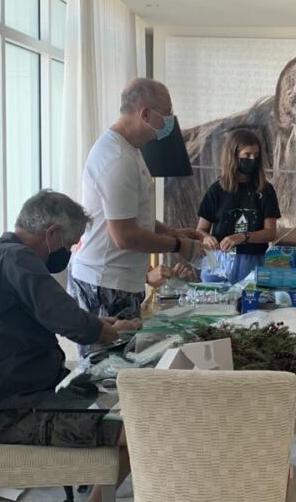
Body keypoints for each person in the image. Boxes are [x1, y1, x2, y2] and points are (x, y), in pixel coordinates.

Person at [0, 190, 137, 502]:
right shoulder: (19, 260)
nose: (67, 252)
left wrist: (96, 325)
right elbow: (71, 322)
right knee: (142, 428)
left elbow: (55, 315)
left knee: (131, 407)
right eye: (68, 244)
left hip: (11, 396)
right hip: (14, 412)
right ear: (51, 234)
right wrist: (109, 330)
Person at [69, 79, 201, 339]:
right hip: (105, 282)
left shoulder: (130, 150)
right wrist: (178, 246)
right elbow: (125, 235)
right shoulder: (116, 158)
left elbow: (135, 218)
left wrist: (174, 232)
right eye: (167, 114)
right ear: (146, 114)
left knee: (130, 354)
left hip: (119, 280)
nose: (170, 121)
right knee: (113, 359)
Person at [196, 128, 281, 283]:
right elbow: (200, 230)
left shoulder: (265, 190)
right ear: (233, 156)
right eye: (247, 155)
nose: (252, 159)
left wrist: (243, 237)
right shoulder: (216, 190)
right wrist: (207, 238)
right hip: (217, 259)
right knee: (211, 296)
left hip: (252, 261)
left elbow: (270, 233)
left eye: (256, 155)